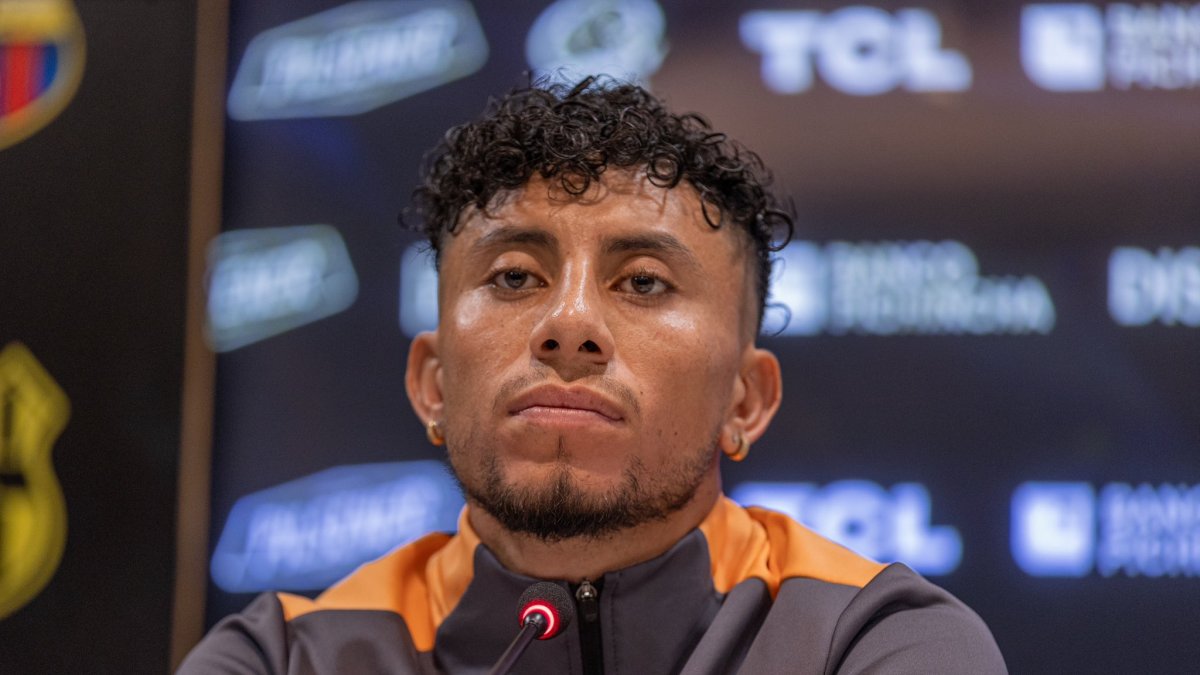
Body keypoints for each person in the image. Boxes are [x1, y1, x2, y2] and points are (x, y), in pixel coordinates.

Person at [180, 77, 1006, 674]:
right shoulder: (283, 657)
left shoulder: (874, 641)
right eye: (513, 277)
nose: (568, 324)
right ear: (432, 383)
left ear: (744, 401)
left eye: (643, 281)